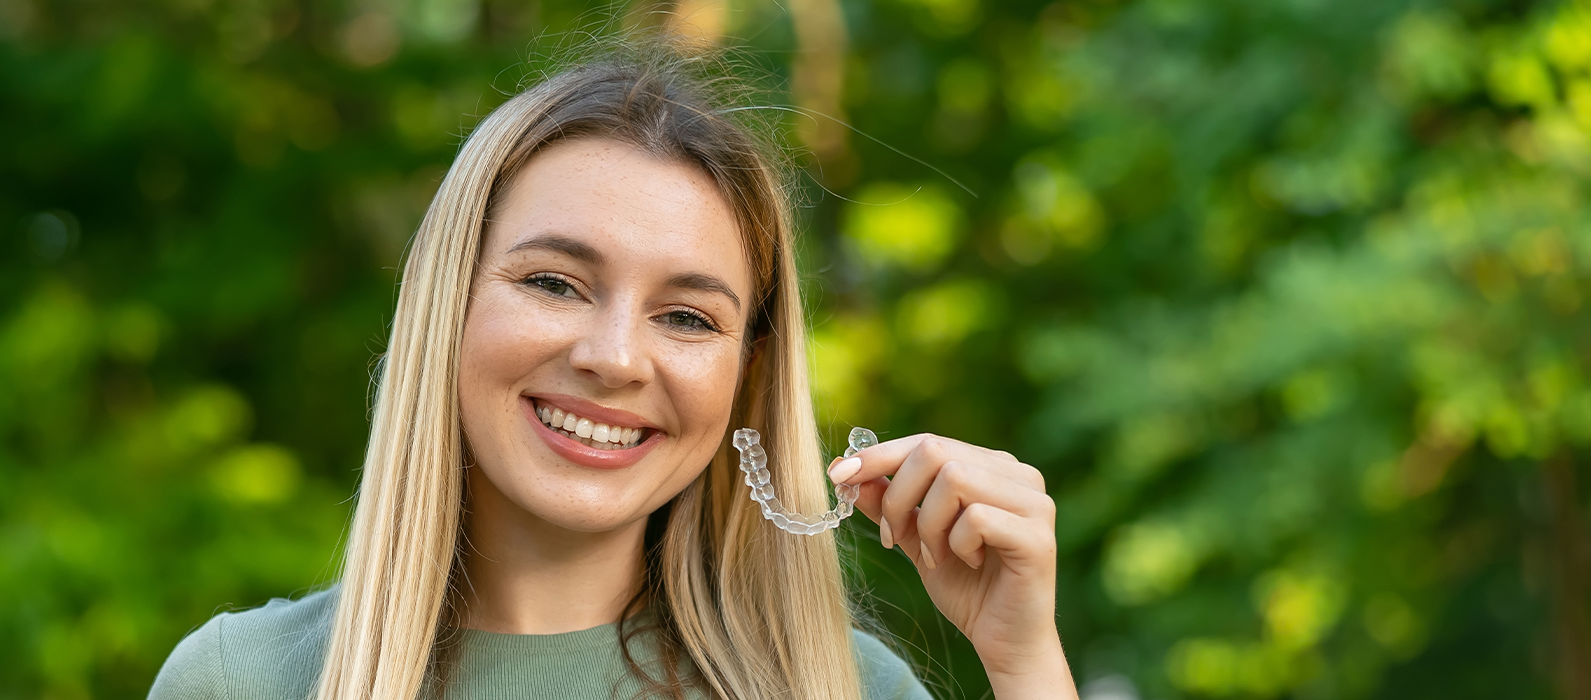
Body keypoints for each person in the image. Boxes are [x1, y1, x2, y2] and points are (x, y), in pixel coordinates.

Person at [147, 35, 1076, 700]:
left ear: (746, 377)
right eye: (554, 283)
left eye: (686, 317)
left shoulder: (844, 689)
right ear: (447, 306)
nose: (615, 357)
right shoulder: (239, 681)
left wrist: (1025, 661)